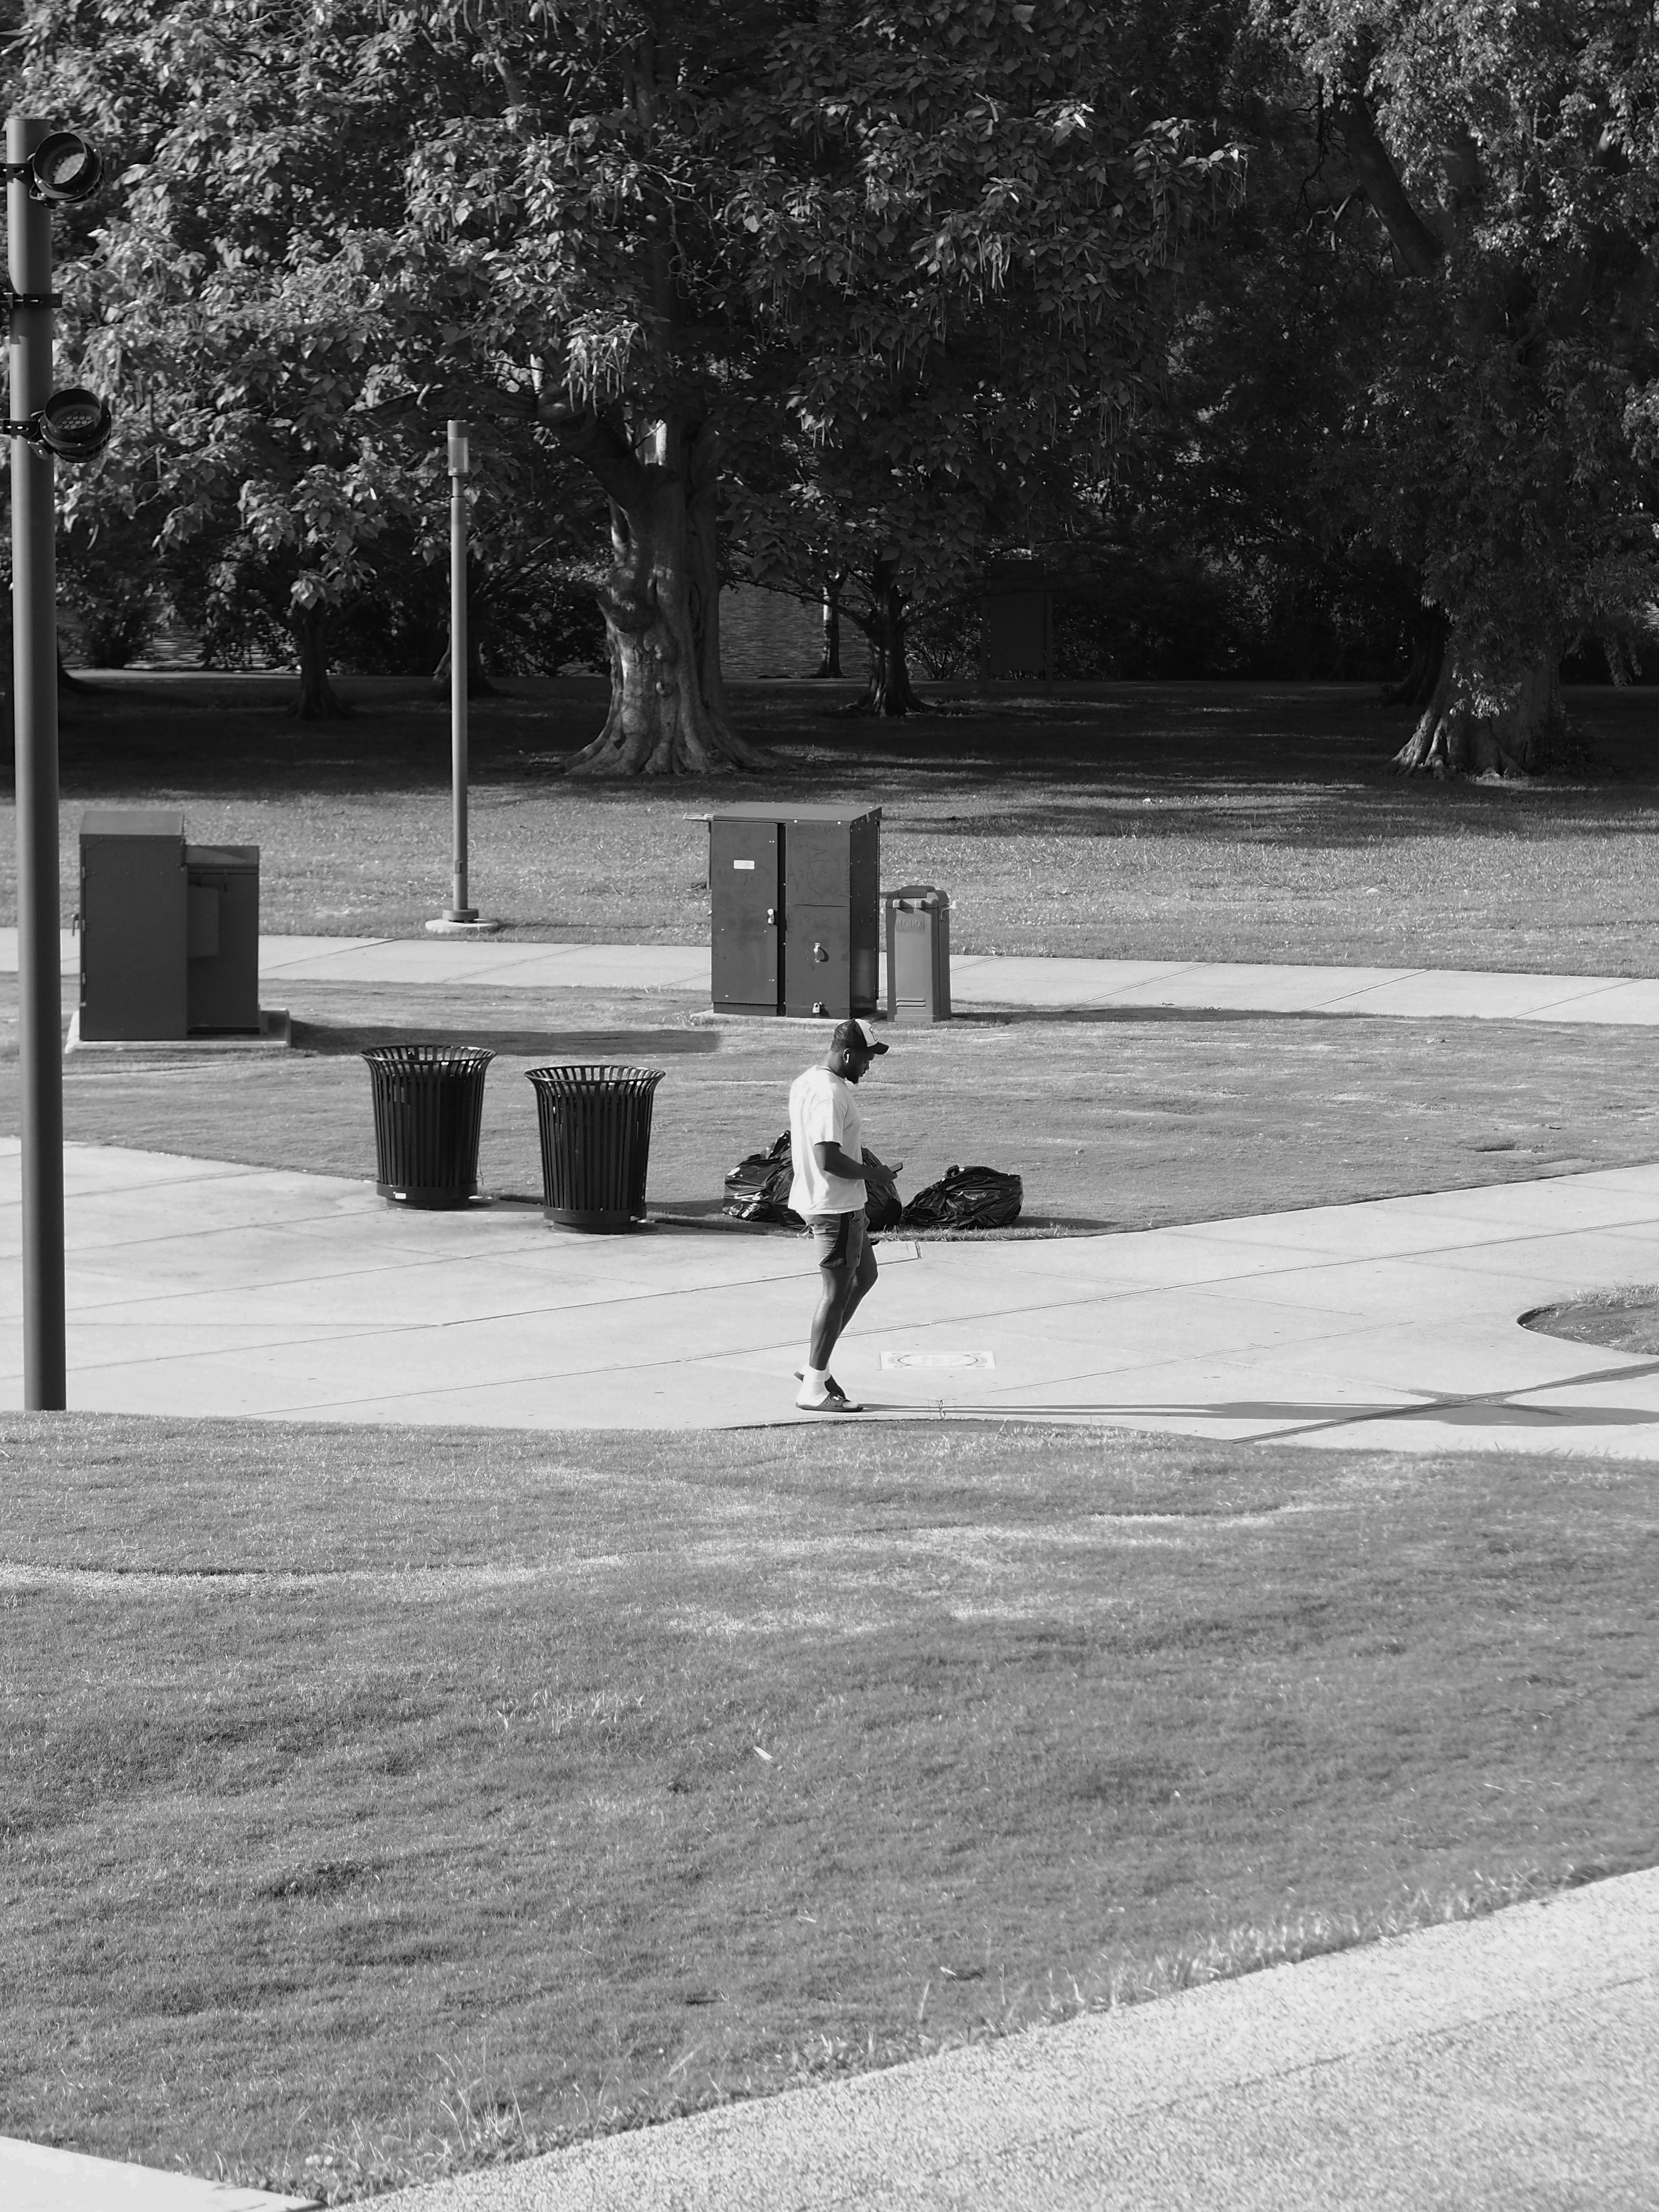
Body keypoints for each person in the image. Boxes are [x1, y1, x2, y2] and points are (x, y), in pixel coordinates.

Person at [787, 1017, 900, 1412]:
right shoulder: (830, 1094)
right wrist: (876, 1174)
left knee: (865, 1275)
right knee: (835, 1294)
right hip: (834, 1207)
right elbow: (828, 1157)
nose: (869, 1066)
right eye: (867, 1059)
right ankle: (813, 1387)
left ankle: (814, 1367)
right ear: (847, 1054)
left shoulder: (807, 1081)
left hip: (839, 1204)